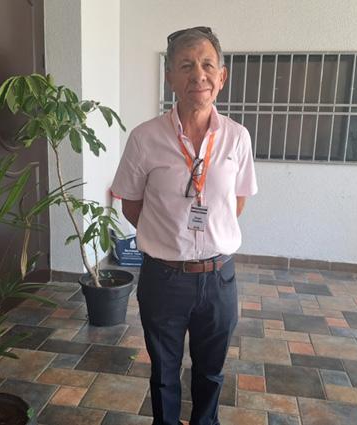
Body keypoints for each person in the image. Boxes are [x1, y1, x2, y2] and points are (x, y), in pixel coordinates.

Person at [111, 26, 257, 425]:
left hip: (219, 279)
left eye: (208, 65)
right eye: (187, 65)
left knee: (211, 373)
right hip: (163, 278)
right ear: (170, 77)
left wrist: (204, 236)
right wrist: (168, 235)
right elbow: (131, 204)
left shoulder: (237, 138)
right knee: (164, 375)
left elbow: (236, 203)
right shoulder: (145, 138)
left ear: (222, 77)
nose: (199, 75)